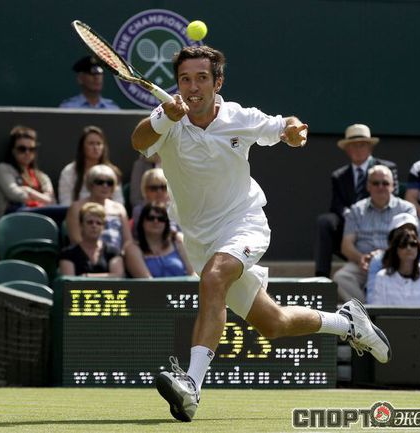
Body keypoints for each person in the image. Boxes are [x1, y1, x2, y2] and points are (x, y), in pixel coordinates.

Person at [131, 45, 391, 423]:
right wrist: (161, 119)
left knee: (214, 276)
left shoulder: (240, 117)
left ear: (218, 83)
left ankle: (191, 385)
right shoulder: (167, 118)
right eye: (185, 79)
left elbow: (285, 125)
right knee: (274, 323)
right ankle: (348, 323)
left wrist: (294, 131)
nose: (193, 87)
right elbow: (138, 141)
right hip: (201, 241)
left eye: (202, 78)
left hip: (243, 223)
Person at [314, 124, 398, 277]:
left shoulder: (386, 169)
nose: (358, 150)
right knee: (325, 221)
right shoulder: (339, 176)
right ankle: (321, 276)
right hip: (349, 223)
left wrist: (366, 212)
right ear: (347, 149)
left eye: (362, 145)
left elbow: (391, 197)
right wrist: (351, 214)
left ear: (370, 147)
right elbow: (336, 204)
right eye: (353, 146)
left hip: (379, 219)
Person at [333, 165, 416, 303]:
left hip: (395, 262)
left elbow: (409, 240)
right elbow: (346, 246)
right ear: (368, 186)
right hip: (363, 264)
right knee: (341, 278)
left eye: (385, 183)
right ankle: (366, 310)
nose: (380, 187)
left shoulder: (406, 209)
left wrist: (386, 256)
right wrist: (362, 258)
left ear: (393, 186)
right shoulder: (356, 210)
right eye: (375, 183)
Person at [0, 125, 55, 223]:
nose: (27, 153)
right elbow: (16, 195)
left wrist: (29, 191)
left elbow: (52, 201)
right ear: (13, 150)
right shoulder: (3, 169)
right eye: (22, 149)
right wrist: (42, 198)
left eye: (32, 149)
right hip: (13, 222)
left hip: (42, 220)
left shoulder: (41, 176)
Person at [65, 164, 132, 253]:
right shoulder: (76, 207)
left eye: (109, 183)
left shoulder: (119, 208)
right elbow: (75, 239)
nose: (105, 186)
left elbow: (128, 241)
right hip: (87, 255)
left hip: (118, 255)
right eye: (100, 182)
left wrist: (120, 255)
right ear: (90, 184)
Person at [370, 227, 420, 306]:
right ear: (396, 250)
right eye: (403, 244)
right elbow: (379, 310)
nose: (409, 248)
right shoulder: (382, 277)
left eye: (413, 244)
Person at [57, 125, 124, 206]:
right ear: (82, 147)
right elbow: (65, 202)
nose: (95, 147)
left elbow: (119, 202)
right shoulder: (69, 171)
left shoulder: (112, 172)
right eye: (91, 143)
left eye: (99, 143)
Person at [126, 203, 194, 278]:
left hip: (184, 285)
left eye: (161, 219)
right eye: (151, 218)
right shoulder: (133, 249)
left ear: (166, 224)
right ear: (142, 222)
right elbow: (147, 281)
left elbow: (193, 274)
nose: (156, 221)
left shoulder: (178, 241)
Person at [59, 202, 124, 277]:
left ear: (103, 228)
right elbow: (69, 280)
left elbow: (117, 277)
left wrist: (86, 277)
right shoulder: (68, 254)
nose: (94, 226)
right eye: (90, 222)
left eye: (99, 223)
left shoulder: (113, 252)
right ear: (81, 225)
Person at [365, 213, 419, 301]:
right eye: (401, 232)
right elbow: (372, 297)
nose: (407, 236)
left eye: (411, 231)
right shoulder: (378, 260)